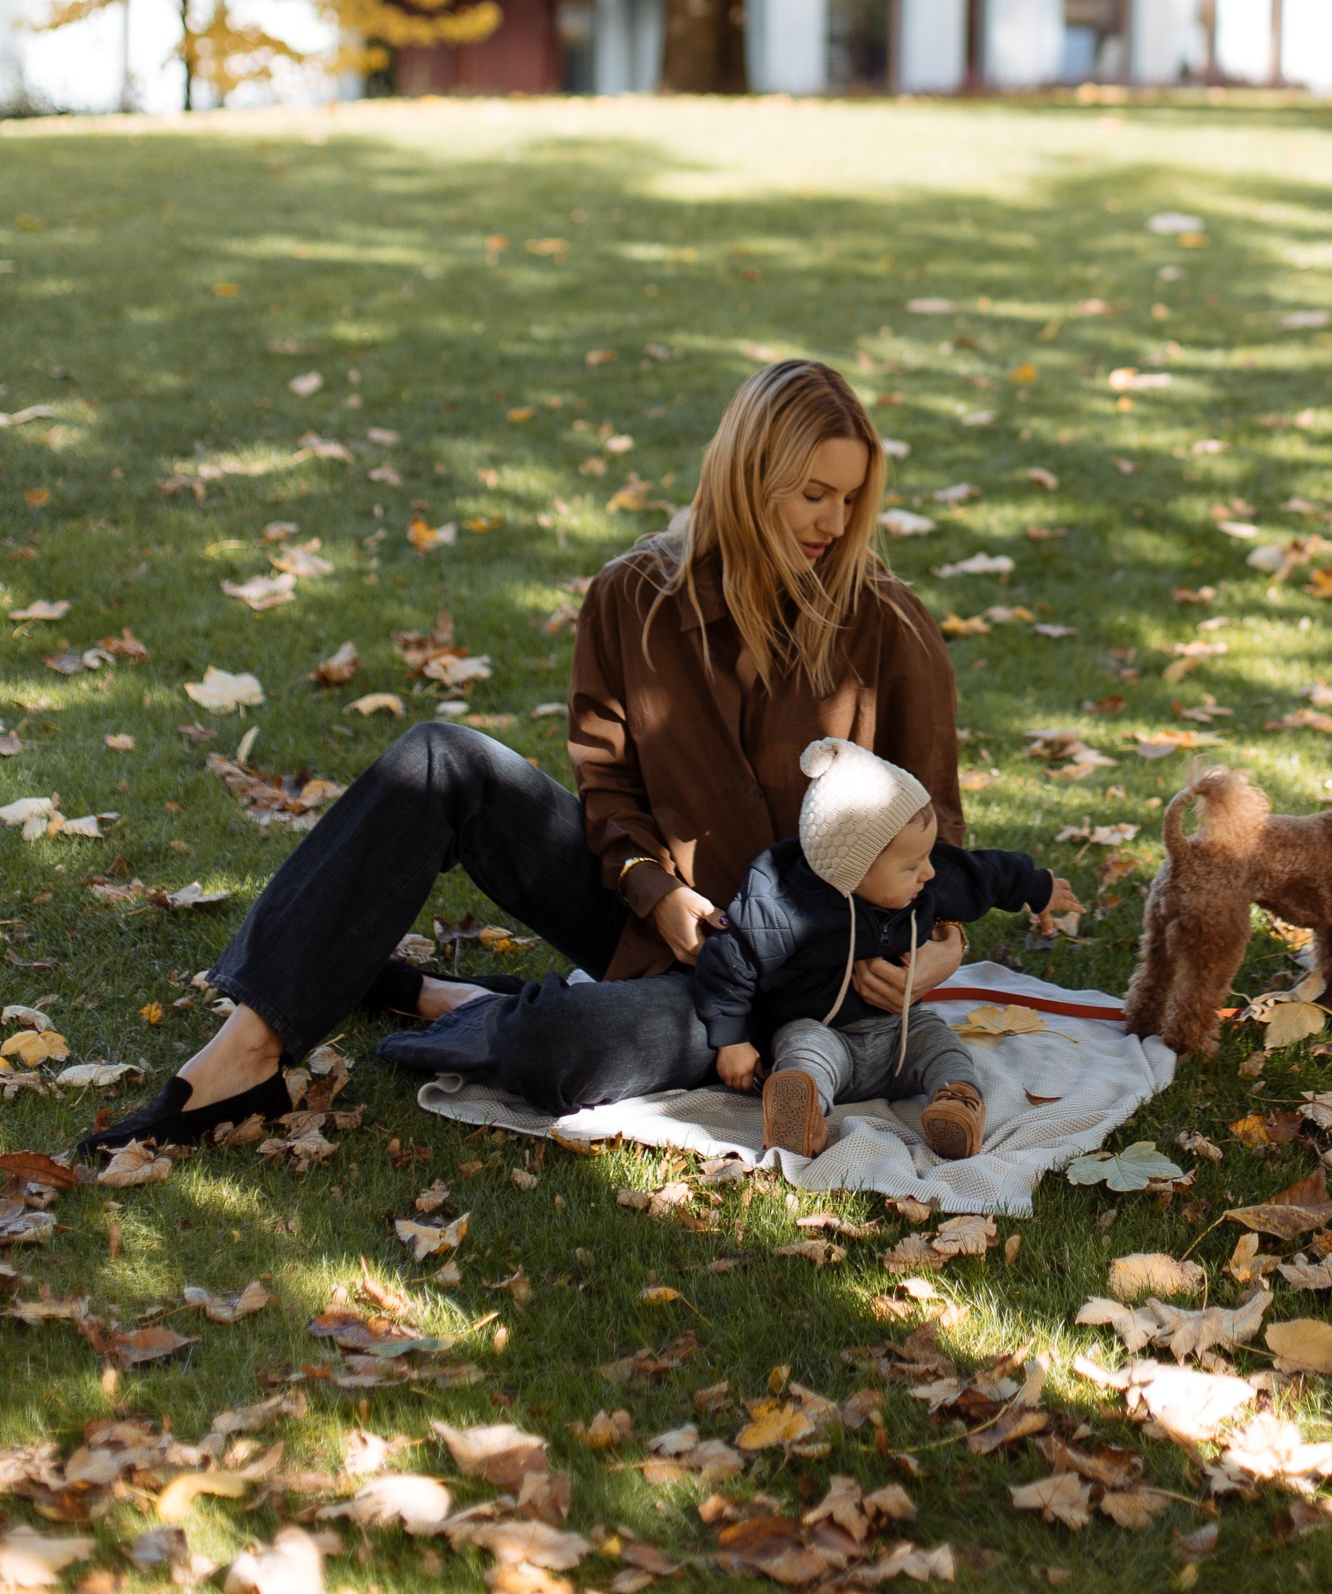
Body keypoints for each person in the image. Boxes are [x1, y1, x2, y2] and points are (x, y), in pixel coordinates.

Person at [85, 359, 968, 1152]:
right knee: (436, 757)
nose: (835, 521)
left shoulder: (888, 624)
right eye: (814, 493)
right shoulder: (636, 597)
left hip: (790, 986)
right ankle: (246, 1052)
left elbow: (943, 844)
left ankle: (447, 1000)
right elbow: (609, 786)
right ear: (748, 476)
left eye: (851, 498)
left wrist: (936, 953)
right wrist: (654, 893)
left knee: (563, 1048)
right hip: (654, 920)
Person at [695, 738, 1073, 1162]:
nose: (928, 872)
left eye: (926, 858)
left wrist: (1038, 888)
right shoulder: (785, 908)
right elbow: (729, 960)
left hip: (899, 1033)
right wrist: (732, 1040)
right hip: (823, 1032)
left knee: (939, 1043)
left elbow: (980, 873)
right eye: (912, 866)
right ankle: (799, 1113)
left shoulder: (923, 883)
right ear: (850, 872)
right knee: (801, 1049)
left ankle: (955, 1103)